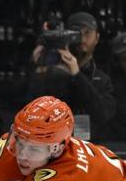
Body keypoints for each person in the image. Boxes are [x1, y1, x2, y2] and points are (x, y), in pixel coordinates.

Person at [27, 12, 116, 141]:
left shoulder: (102, 79)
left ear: (97, 38)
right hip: (55, 146)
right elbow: (32, 110)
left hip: (90, 150)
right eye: (76, 33)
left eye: (87, 33)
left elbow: (102, 114)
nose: (82, 38)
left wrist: (77, 74)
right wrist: (37, 68)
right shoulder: (53, 72)